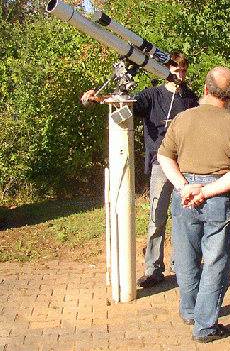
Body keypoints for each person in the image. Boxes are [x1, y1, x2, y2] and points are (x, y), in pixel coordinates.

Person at [81, 52, 199, 288]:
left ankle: (181, 266)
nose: (180, 75)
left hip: (186, 165)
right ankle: (153, 269)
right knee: (157, 217)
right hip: (161, 164)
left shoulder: (190, 98)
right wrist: (99, 98)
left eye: (184, 71)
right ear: (167, 70)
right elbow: (126, 103)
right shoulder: (151, 95)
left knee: (184, 216)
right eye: (176, 71)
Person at [157, 66, 230, 343]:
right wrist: (206, 191)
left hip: (185, 195)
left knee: (185, 258)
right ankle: (205, 326)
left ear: (206, 90)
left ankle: (189, 311)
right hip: (218, 198)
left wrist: (185, 187)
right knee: (215, 263)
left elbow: (165, 157)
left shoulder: (183, 118)